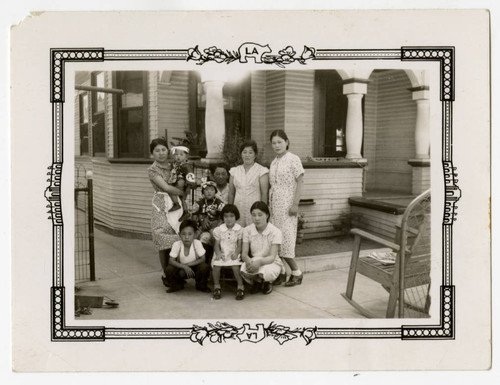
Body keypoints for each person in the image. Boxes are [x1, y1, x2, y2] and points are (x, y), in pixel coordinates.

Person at [268, 130, 305, 287]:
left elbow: (300, 181)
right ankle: (282, 273)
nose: (277, 145)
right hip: (274, 206)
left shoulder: (293, 159)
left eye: (279, 142)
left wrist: (295, 203)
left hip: (287, 205)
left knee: (287, 240)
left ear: (287, 142)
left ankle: (297, 273)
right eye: (274, 143)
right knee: (276, 240)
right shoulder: (274, 162)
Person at [147, 138, 184, 288]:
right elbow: (167, 188)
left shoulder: (174, 165)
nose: (161, 153)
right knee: (163, 237)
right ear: (152, 154)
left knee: (179, 235)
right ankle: (166, 273)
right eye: (157, 151)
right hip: (162, 204)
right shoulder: (152, 170)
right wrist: (183, 191)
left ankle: (179, 272)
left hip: (178, 204)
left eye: (163, 149)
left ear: (168, 150)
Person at [240, 201, 283, 295]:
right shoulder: (247, 230)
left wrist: (259, 263)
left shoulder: (275, 232)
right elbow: (244, 253)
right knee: (243, 269)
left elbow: (272, 256)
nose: (256, 218)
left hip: (271, 262)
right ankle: (258, 282)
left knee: (266, 271)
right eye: (254, 215)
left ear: (267, 215)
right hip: (254, 260)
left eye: (260, 215)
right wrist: (248, 262)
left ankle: (268, 282)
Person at [228, 140, 269, 227]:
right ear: (241, 154)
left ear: (255, 155)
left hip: (255, 210)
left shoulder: (262, 171)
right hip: (238, 208)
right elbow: (231, 193)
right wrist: (230, 212)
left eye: (250, 152)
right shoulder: (234, 171)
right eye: (244, 152)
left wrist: (263, 213)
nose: (247, 155)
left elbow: (264, 193)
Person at [164, 219, 211, 293]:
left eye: (190, 234)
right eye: (183, 234)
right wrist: (183, 266)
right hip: (181, 269)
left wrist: (188, 265)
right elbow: (171, 260)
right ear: (179, 234)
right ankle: (177, 285)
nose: (186, 237)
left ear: (195, 235)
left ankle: (201, 285)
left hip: (194, 268)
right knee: (169, 269)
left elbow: (203, 259)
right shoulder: (177, 244)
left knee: (204, 267)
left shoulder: (197, 243)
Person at [211, 204, 245, 300]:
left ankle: (240, 286)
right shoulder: (219, 230)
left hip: (233, 252)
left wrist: (237, 253)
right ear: (222, 217)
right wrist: (218, 253)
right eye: (226, 216)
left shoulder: (239, 230)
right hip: (222, 252)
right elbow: (216, 244)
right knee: (216, 265)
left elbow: (239, 244)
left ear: (236, 217)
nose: (228, 219)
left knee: (235, 266)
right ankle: (217, 286)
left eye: (231, 216)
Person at [192, 181, 225, 249]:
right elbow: (194, 218)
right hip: (202, 228)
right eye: (206, 190)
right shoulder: (199, 203)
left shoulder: (219, 203)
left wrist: (217, 226)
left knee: (215, 237)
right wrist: (201, 220)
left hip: (215, 228)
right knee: (201, 239)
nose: (209, 192)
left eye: (212, 190)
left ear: (215, 192)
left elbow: (223, 218)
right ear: (203, 192)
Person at [167, 145, 196, 221]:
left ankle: (176, 204)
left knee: (171, 190)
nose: (178, 156)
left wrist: (189, 186)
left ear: (186, 157)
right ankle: (185, 212)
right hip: (176, 181)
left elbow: (190, 175)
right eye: (176, 154)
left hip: (181, 183)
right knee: (182, 199)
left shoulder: (186, 166)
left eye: (181, 154)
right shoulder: (175, 165)